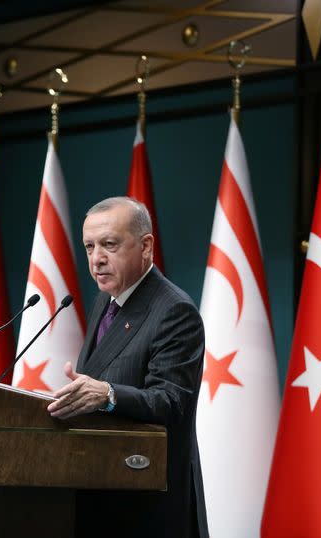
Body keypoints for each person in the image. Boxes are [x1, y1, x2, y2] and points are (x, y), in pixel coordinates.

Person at [47, 197, 208, 537]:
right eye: (89, 247)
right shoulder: (105, 300)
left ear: (146, 246)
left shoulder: (174, 311)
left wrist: (107, 394)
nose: (96, 260)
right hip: (98, 493)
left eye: (109, 245)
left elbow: (171, 401)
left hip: (147, 506)